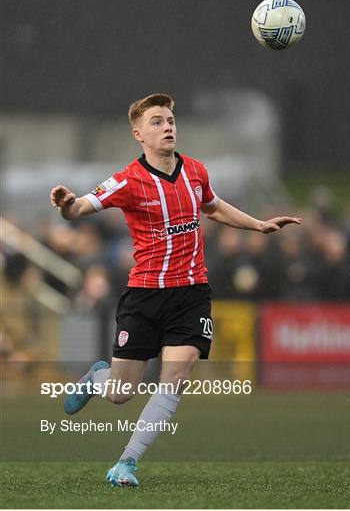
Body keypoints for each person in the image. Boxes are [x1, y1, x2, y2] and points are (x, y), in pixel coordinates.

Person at [50, 93, 302, 487]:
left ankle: (126, 464)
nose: (167, 126)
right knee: (121, 394)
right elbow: (81, 207)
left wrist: (258, 225)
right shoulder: (128, 180)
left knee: (176, 377)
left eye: (169, 119)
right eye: (156, 121)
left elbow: (213, 206)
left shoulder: (196, 171)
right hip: (145, 296)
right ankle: (98, 380)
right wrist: (66, 206)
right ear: (138, 134)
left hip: (191, 294)